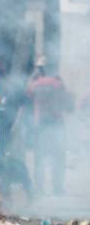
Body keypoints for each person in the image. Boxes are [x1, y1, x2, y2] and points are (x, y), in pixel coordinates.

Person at [24, 57, 71, 194]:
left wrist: (33, 78)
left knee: (39, 157)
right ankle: (57, 188)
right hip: (56, 123)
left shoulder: (35, 83)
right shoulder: (57, 83)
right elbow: (66, 100)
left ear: (39, 69)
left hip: (40, 124)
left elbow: (28, 95)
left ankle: (39, 188)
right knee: (58, 157)